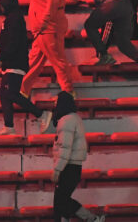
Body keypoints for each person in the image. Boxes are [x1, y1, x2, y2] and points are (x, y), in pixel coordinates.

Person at [20, 0, 77, 109]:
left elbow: (52, 2)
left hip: (48, 29)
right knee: (34, 62)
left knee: (57, 61)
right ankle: (22, 91)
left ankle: (69, 92)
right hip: (43, 30)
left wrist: (43, 23)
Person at [0, 0, 49, 136]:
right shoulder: (13, 19)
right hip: (11, 63)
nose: (0, 8)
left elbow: (12, 43)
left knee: (11, 93)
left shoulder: (14, 20)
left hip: (15, 63)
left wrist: (1, 58)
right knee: (4, 95)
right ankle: (9, 125)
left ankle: (41, 114)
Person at [51, 92, 104, 222]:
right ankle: (92, 219)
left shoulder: (66, 121)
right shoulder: (74, 118)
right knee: (62, 200)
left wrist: (57, 169)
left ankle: (92, 219)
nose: (54, 104)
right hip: (74, 167)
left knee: (60, 201)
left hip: (68, 167)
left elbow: (65, 148)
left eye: (56, 102)